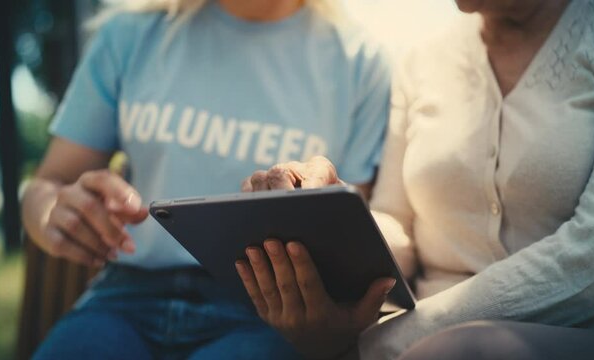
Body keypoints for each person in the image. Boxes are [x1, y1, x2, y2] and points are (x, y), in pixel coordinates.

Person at [238, 0, 594, 358]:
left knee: (470, 350)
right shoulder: (423, 60)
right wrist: (328, 223)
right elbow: (398, 226)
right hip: (410, 339)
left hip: (576, 332)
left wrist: (377, 344)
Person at [21, 0, 392, 358]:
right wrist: (52, 214)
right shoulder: (130, 35)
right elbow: (49, 184)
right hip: (126, 297)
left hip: (266, 309)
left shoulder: (360, 62)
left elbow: (352, 245)